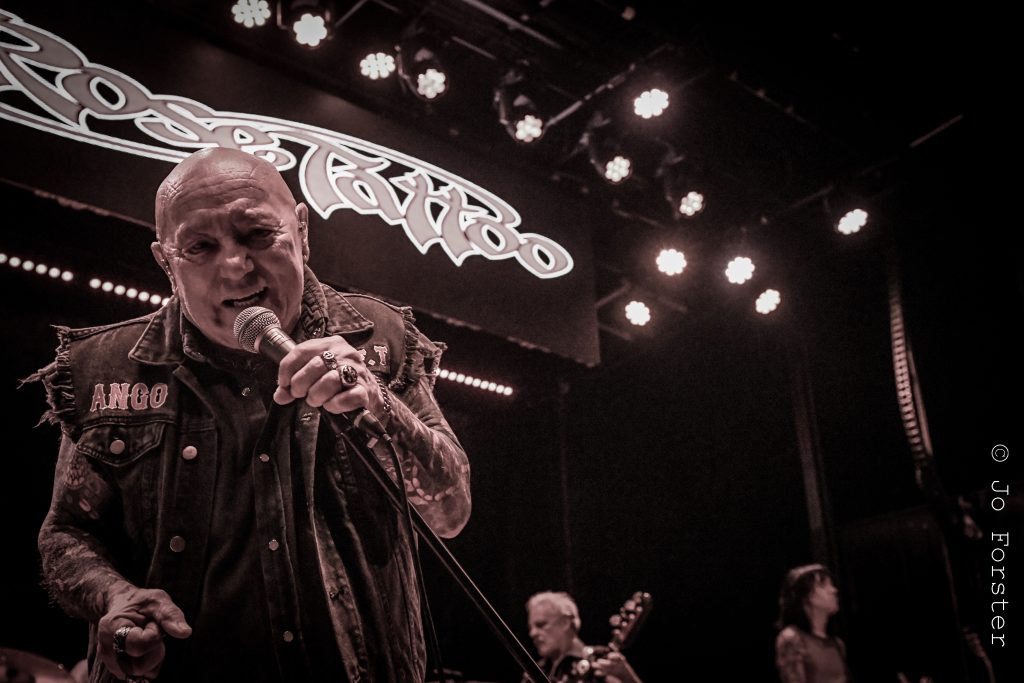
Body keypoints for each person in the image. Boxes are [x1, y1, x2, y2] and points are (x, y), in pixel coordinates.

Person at [30, 146, 471, 682]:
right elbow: (67, 533)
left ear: (302, 231)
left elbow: (450, 512)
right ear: (166, 262)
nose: (236, 267)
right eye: (200, 246)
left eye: (259, 234)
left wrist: (377, 402)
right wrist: (116, 598)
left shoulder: (380, 339)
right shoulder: (107, 369)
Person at [524, 591, 642, 683]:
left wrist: (627, 679)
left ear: (565, 622)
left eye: (541, 625)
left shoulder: (600, 661)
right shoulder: (537, 671)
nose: (532, 633)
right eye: (530, 628)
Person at [774, 564, 851, 683]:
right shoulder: (793, 639)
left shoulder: (837, 644)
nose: (834, 590)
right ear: (807, 596)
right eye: (824, 585)